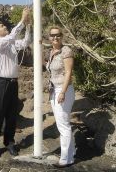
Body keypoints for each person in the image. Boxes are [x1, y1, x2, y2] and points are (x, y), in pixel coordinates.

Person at [0, 8, 31, 157]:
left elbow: (26, 42)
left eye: (3, 25)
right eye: (0, 26)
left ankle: (10, 142)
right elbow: (12, 36)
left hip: (13, 82)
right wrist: (22, 19)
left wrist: (28, 25)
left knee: (11, 115)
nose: (4, 26)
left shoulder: (11, 42)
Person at [46, 26, 75, 168]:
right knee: (63, 123)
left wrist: (62, 92)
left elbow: (69, 73)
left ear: (62, 36)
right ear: (49, 37)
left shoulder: (66, 51)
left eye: (58, 35)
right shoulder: (51, 52)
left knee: (63, 125)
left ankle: (66, 159)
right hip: (53, 90)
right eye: (52, 35)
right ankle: (72, 152)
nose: (55, 37)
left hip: (63, 90)